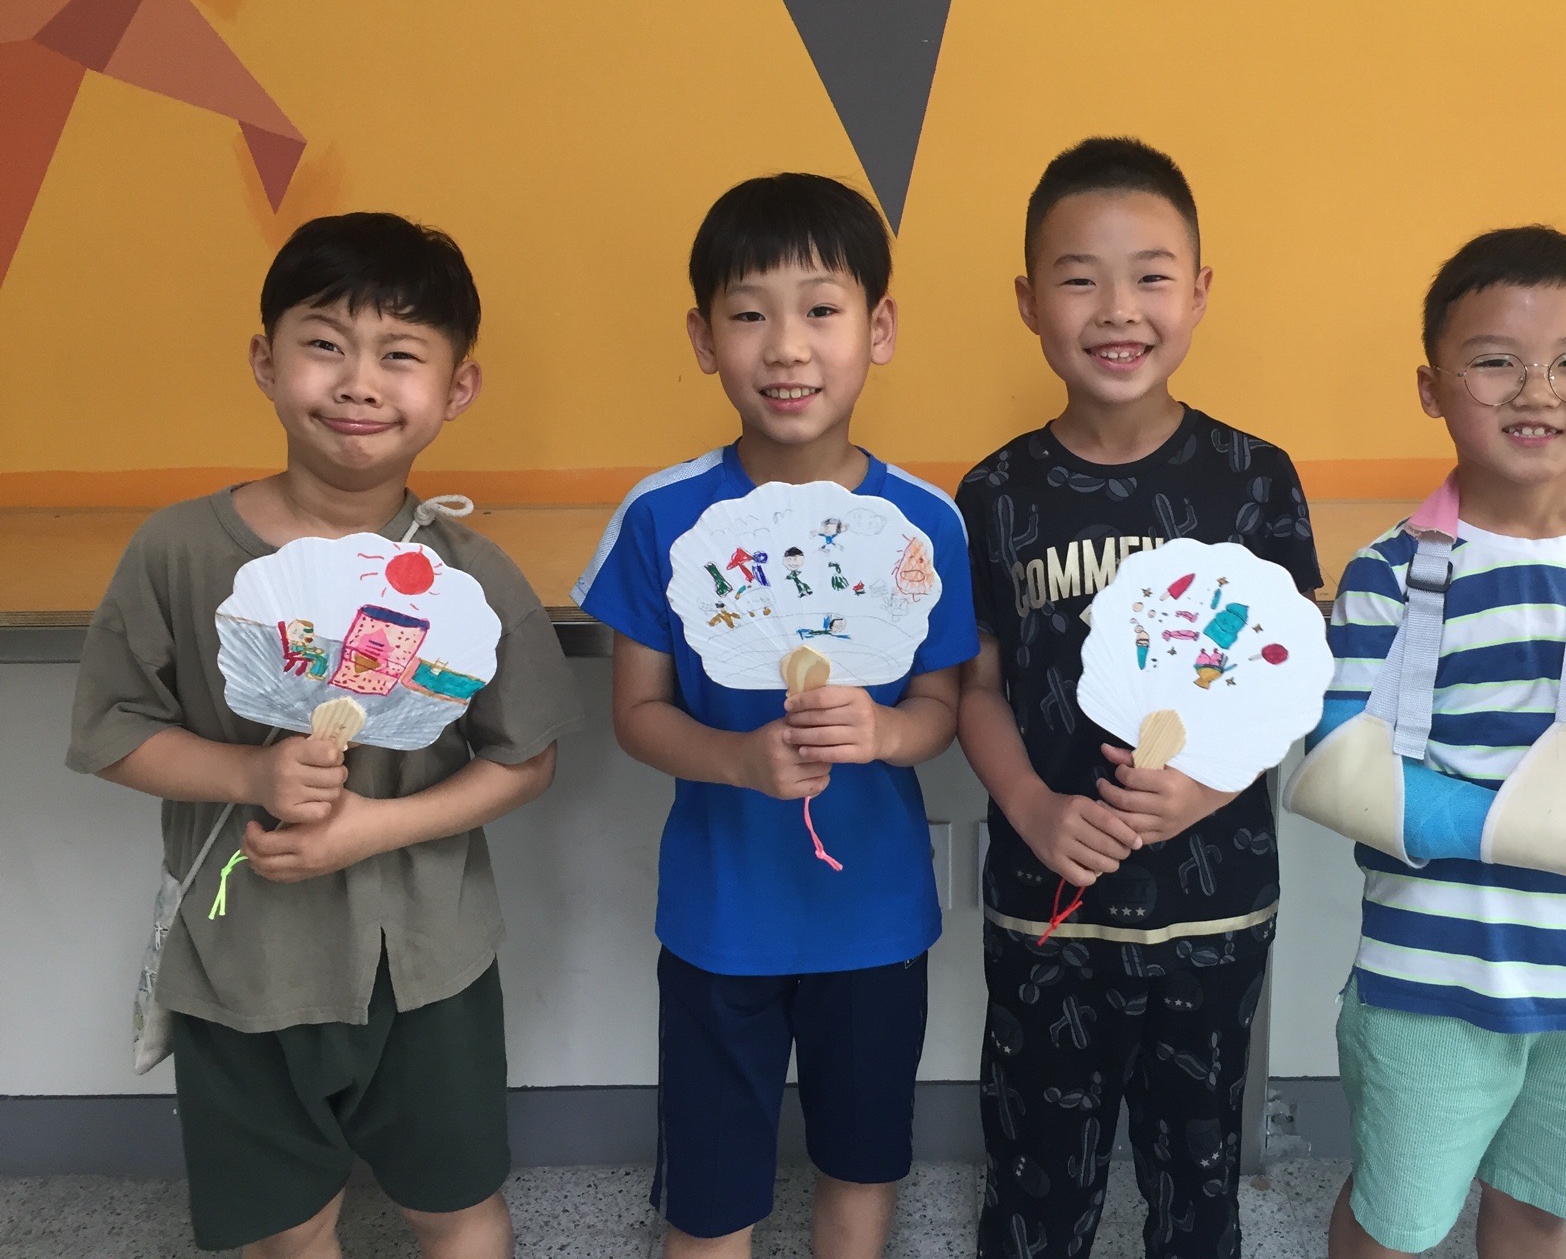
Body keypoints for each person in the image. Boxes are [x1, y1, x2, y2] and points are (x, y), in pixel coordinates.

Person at [68, 213, 583, 1258]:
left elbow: (526, 758)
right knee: (284, 1228)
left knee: (455, 1206)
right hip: (242, 966)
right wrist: (249, 770)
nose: (358, 383)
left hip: (428, 964)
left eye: (400, 355)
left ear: (457, 388)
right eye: (324, 344)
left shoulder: (468, 573)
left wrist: (373, 829)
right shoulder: (178, 550)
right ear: (266, 362)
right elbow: (115, 730)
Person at [1301, 226, 1566, 1257]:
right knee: (1394, 1222)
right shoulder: (1386, 575)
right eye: (1496, 361)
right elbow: (1339, 778)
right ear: (1432, 387)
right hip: (1432, 984)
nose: (1537, 391)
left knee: (1538, 1208)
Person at [573, 173, 977, 1259]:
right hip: (722, 920)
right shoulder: (663, 516)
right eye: (749, 314)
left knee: (861, 1164)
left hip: (876, 920)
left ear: (878, 329)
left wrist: (887, 734)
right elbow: (637, 713)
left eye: (822, 310)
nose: (787, 347)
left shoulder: (924, 523)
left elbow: (942, 705)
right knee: (710, 1197)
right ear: (704, 338)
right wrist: (737, 759)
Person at [956, 137, 1321, 1259]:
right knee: (1034, 1184)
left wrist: (1204, 791)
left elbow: (1291, 681)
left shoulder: (1256, 480)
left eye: (1151, 276)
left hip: (1213, 912)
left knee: (1198, 1185)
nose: (1118, 309)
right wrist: (1031, 808)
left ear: (1198, 293)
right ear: (1029, 301)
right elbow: (974, 686)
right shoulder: (995, 492)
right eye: (1079, 279)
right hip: (1047, 911)